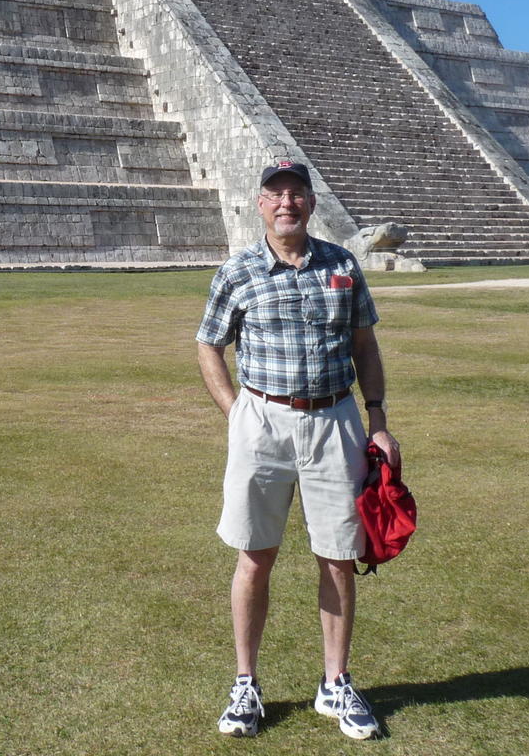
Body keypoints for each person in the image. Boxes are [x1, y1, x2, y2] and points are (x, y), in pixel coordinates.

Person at [196, 160, 399, 741]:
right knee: (255, 557)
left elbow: (366, 344)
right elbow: (209, 345)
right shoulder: (236, 272)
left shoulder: (342, 264)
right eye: (275, 194)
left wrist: (377, 418)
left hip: (335, 419)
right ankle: (245, 682)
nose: (287, 203)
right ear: (259, 204)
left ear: (311, 204)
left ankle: (335, 682)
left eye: (297, 194)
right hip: (262, 420)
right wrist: (236, 413)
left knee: (337, 556)